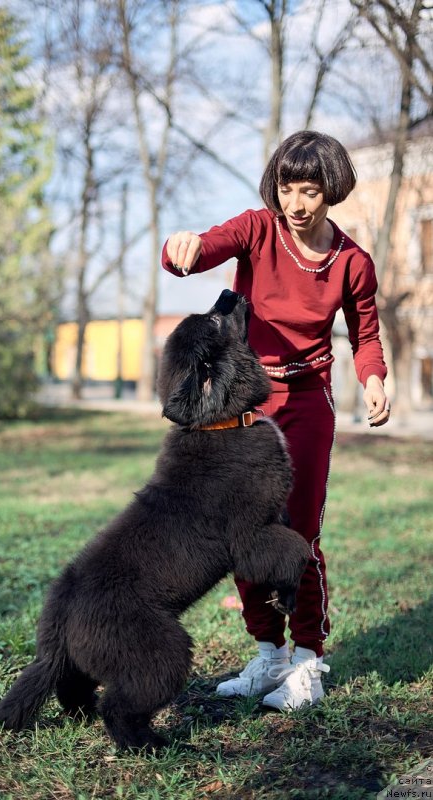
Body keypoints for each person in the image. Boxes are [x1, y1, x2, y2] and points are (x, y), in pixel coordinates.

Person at [161, 130, 390, 711]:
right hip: (246, 403)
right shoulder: (258, 229)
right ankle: (269, 654)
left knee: (299, 533)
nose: (295, 203)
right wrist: (180, 247)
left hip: (309, 402)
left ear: (331, 190)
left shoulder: (352, 264)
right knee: (242, 530)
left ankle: (308, 660)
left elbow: (366, 336)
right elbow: (200, 249)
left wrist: (375, 378)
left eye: (309, 190)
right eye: (287, 188)